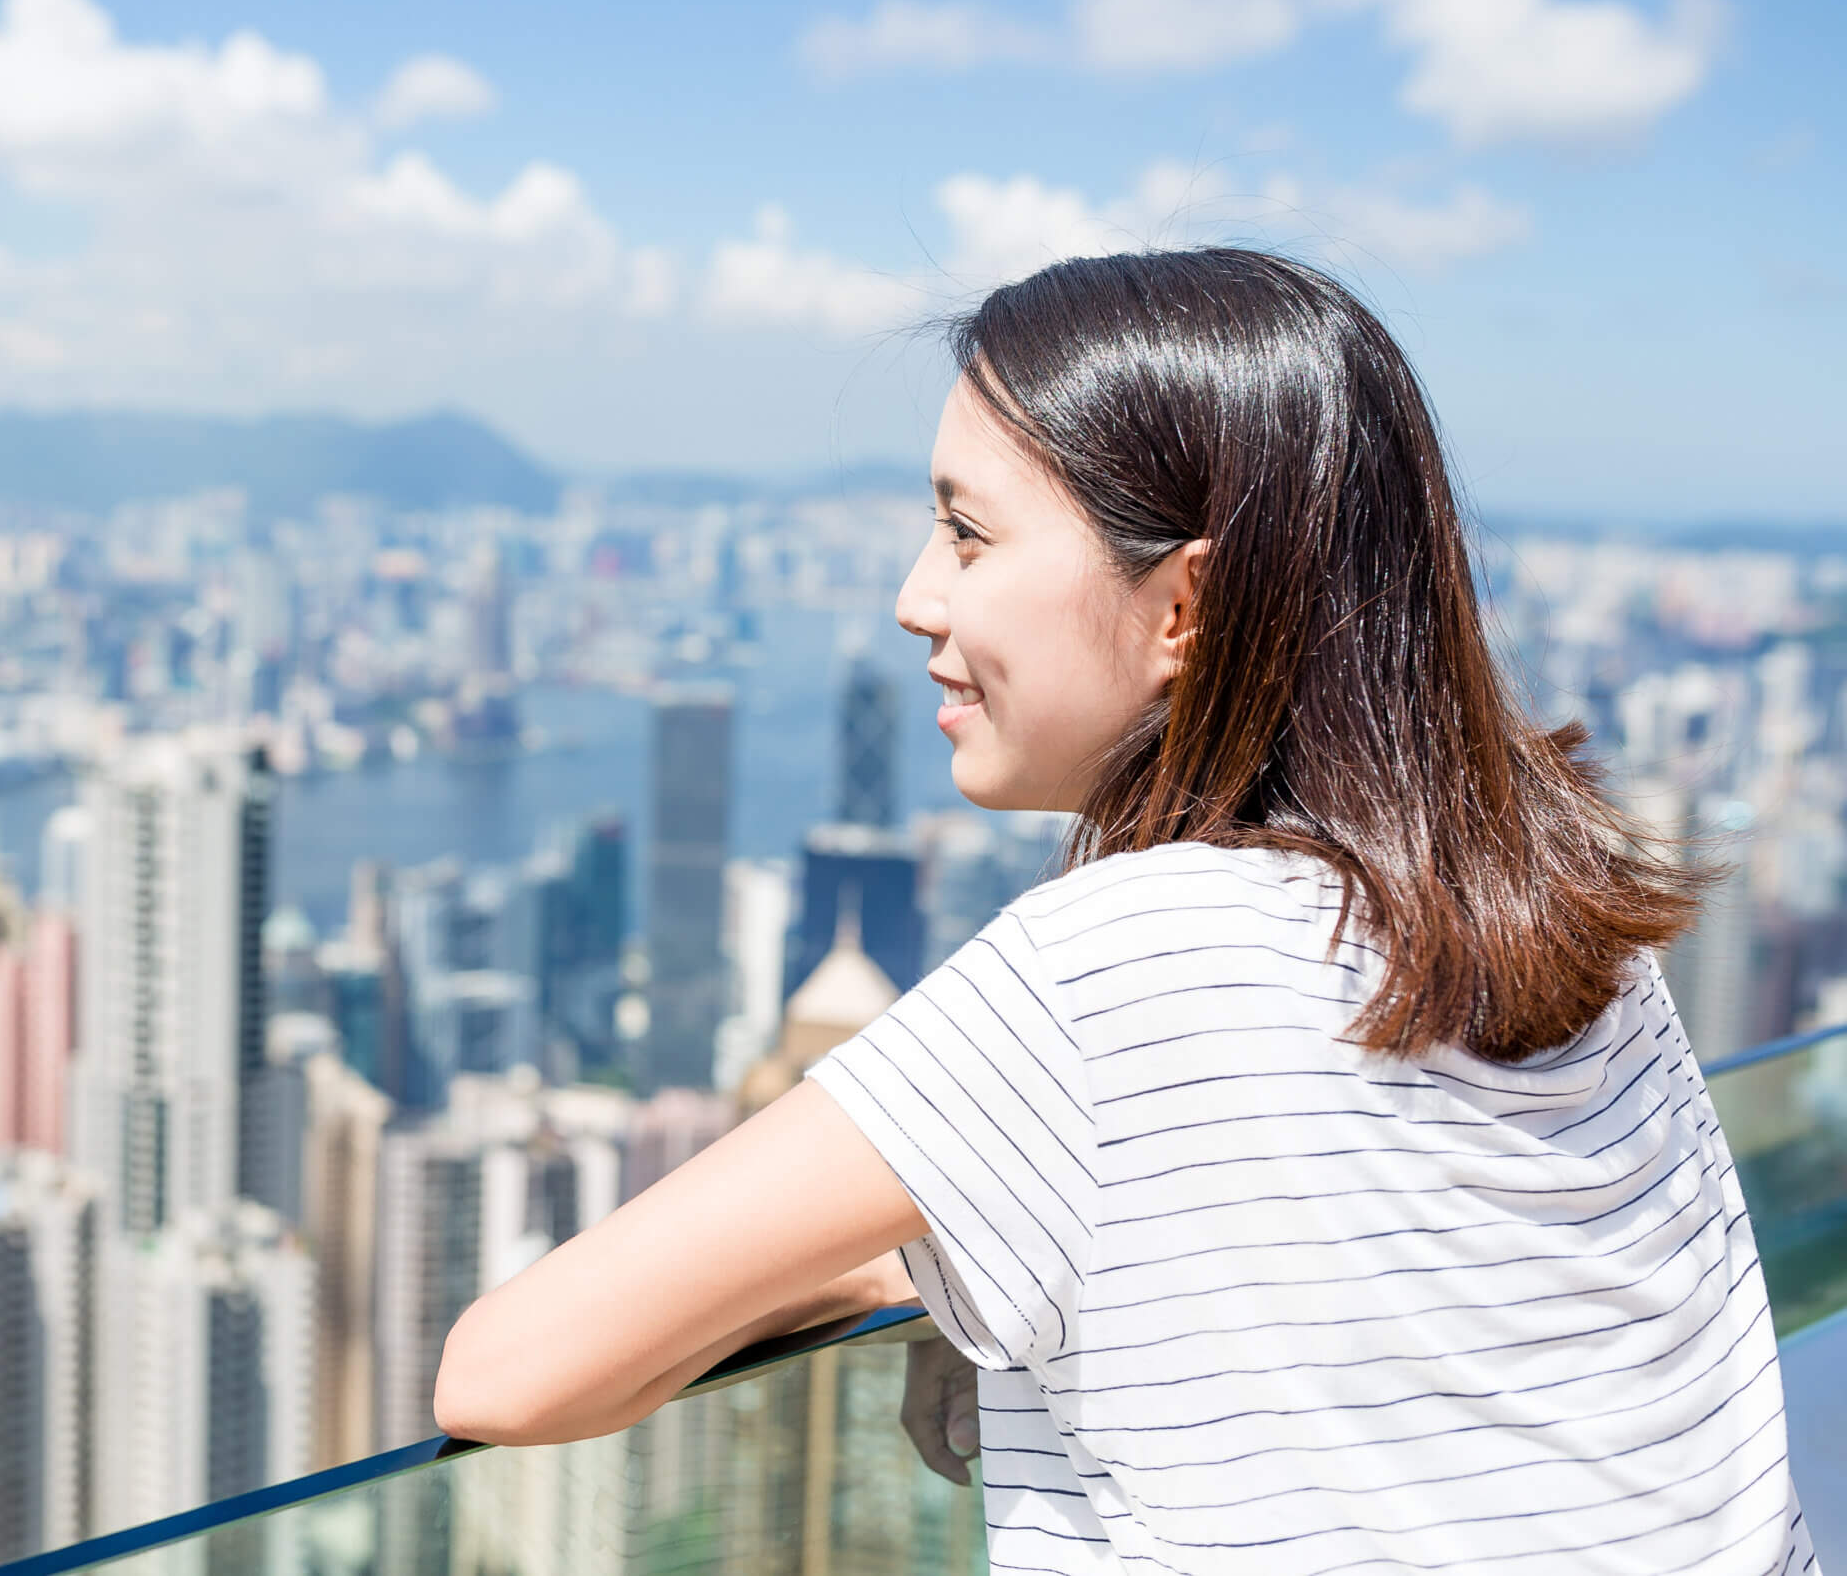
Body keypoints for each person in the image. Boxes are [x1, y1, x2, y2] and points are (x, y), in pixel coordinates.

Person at [433, 247, 1821, 1573]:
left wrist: (897, 1277)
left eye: (968, 536)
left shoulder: (1119, 965)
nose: (917, 598)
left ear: (1185, 608)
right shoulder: (1565, 918)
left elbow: (506, 1373)